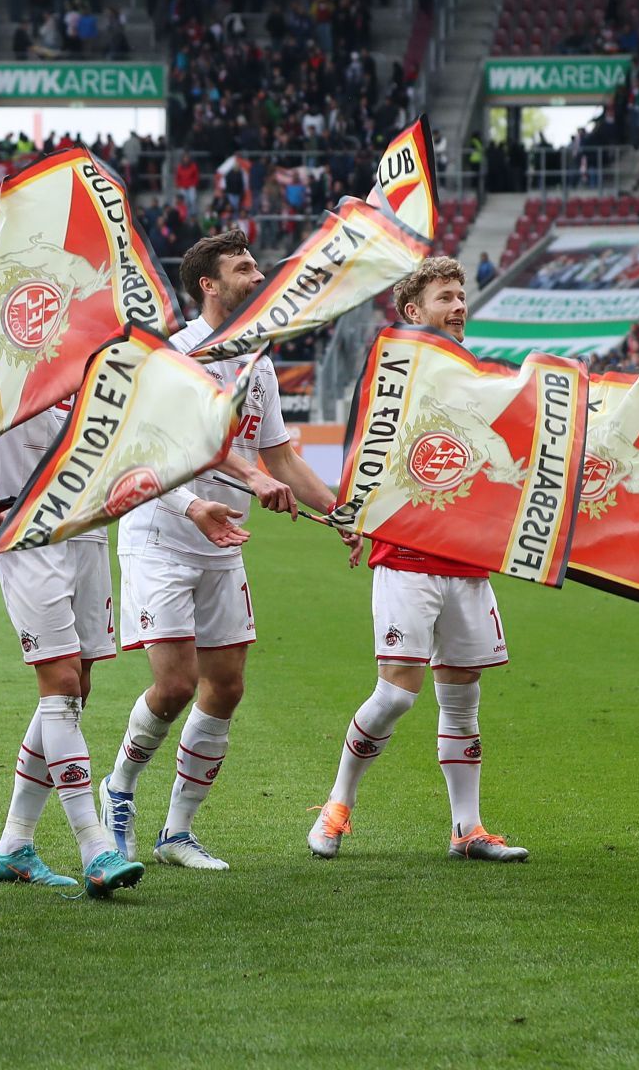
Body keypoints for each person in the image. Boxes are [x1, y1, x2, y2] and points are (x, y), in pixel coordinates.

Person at [101, 229, 357, 871]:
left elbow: (278, 457)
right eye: (244, 268)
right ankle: (120, 791)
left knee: (227, 686)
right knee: (175, 685)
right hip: (162, 535)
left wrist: (340, 512)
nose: (257, 275)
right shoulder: (173, 356)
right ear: (208, 285)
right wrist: (194, 505)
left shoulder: (259, 361)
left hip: (225, 543)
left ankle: (177, 833)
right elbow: (140, 458)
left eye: (256, 265)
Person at [308, 258, 526, 863]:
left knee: (462, 697)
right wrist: (353, 516)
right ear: (413, 313)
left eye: (462, 296)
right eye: (445, 297)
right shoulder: (391, 378)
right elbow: (367, 451)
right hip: (406, 558)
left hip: (468, 562)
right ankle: (337, 805)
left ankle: (467, 829)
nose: (459, 306)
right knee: (398, 694)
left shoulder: (482, 380)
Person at [0, 393, 229, 896]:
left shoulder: (95, 361)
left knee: (79, 683)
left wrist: (191, 504)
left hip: (88, 531)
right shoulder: (13, 351)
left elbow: (129, 450)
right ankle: (95, 848)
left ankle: (14, 843)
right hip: (29, 531)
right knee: (62, 681)